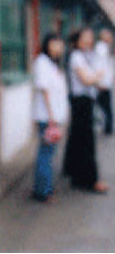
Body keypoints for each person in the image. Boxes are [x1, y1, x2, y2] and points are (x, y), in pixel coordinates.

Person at [63, 28, 109, 194]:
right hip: (81, 102)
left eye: (90, 37)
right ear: (77, 40)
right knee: (87, 142)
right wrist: (99, 75)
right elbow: (86, 79)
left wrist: (96, 79)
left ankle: (76, 175)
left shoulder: (84, 56)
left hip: (84, 101)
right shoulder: (77, 56)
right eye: (85, 37)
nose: (89, 40)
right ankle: (90, 180)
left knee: (78, 139)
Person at [31, 33, 68, 203]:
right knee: (45, 153)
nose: (59, 47)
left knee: (48, 153)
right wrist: (51, 117)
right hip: (47, 117)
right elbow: (44, 90)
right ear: (47, 45)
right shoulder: (42, 62)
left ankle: (45, 187)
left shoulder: (53, 64)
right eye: (55, 43)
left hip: (53, 116)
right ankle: (42, 191)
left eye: (60, 44)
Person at [94, 28, 113, 135]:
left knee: (105, 106)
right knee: (105, 106)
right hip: (102, 83)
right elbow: (100, 66)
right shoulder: (101, 48)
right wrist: (99, 82)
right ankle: (107, 127)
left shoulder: (104, 47)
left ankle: (107, 127)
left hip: (104, 82)